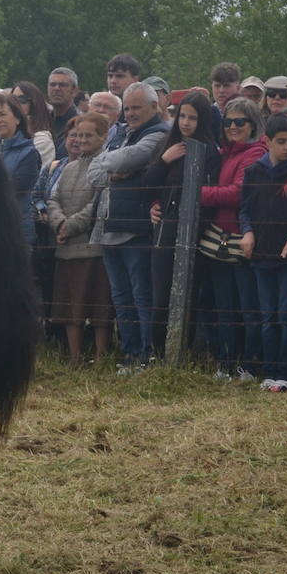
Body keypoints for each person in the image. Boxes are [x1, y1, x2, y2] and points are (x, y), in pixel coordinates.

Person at [88, 82, 169, 370]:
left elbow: (129, 157)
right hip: (109, 224)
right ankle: (130, 353)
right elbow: (95, 174)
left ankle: (147, 355)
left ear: (154, 107)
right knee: (121, 297)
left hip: (136, 227)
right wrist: (115, 169)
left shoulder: (159, 134)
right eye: (128, 107)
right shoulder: (121, 132)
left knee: (140, 294)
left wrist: (114, 164)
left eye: (137, 107)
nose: (131, 113)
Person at [143, 92, 222, 359]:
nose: (186, 122)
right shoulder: (170, 144)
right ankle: (155, 354)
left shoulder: (210, 151)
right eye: (182, 116)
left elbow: (208, 196)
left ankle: (181, 354)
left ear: (203, 120)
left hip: (195, 231)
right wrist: (164, 160)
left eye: (193, 118)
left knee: (186, 295)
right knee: (160, 296)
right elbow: (148, 184)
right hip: (165, 229)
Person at [201, 97, 268, 381]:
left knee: (248, 308)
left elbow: (239, 193)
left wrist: (198, 193)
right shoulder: (226, 152)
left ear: (252, 123)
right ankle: (226, 363)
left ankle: (250, 365)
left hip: (244, 240)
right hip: (219, 241)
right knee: (224, 307)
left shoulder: (255, 152)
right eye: (228, 121)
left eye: (240, 121)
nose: (233, 126)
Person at [239, 112, 287, 391]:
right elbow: (244, 209)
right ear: (267, 141)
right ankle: (269, 371)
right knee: (267, 316)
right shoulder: (254, 172)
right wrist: (248, 231)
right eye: (282, 142)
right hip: (262, 253)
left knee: (286, 314)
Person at [48, 112, 113, 366]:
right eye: (77, 135)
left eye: (88, 135)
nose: (81, 140)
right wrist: (59, 223)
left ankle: (100, 358)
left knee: (98, 306)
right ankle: (75, 358)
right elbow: (53, 199)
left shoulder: (106, 164)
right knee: (69, 306)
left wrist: (71, 225)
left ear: (103, 136)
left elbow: (97, 203)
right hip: (65, 247)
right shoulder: (69, 167)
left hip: (92, 247)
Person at [0, 92, 40, 247]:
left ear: (17, 118)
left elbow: (14, 190)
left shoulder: (29, 153)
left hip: (16, 233)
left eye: (2, 114)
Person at [11, 80, 55, 165]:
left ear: (34, 103)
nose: (16, 104)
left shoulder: (42, 140)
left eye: (21, 99)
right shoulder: (7, 137)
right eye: (13, 100)